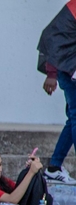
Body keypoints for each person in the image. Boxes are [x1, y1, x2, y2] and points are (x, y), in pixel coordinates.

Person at [39, 1, 76, 185]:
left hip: (70, 68)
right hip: (68, 70)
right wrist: (51, 74)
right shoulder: (73, 8)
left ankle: (54, 167)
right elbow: (53, 38)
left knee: (73, 119)